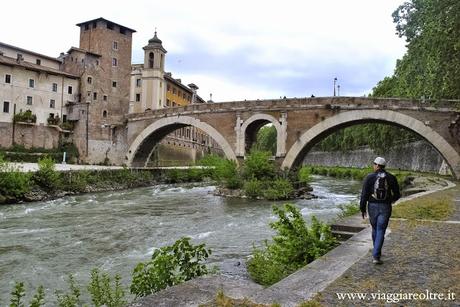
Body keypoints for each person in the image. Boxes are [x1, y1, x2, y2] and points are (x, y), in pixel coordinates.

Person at [360, 157, 400, 264]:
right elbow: (397, 194)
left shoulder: (370, 177)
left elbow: (364, 195)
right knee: (381, 229)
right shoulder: (391, 177)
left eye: (374, 164)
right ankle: (376, 255)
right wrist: (390, 200)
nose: (373, 166)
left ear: (377, 165)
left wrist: (362, 209)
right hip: (385, 206)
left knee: (374, 228)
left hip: (372, 205)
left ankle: (376, 251)